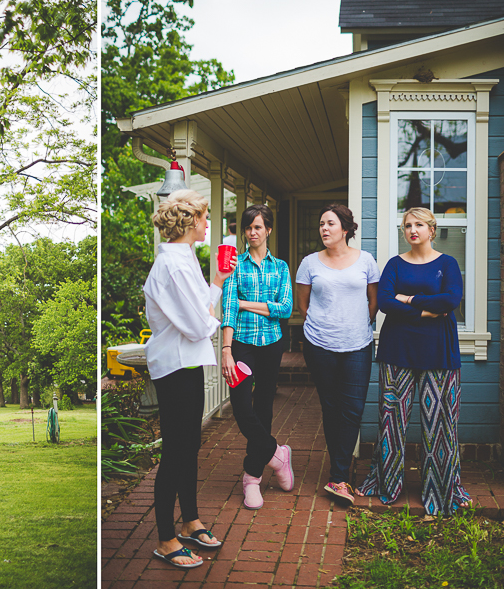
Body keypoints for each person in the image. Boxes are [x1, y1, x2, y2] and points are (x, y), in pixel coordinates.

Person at [143, 189, 236, 569]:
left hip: (188, 362)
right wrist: (211, 313)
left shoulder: (185, 259)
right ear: (188, 221)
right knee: (176, 451)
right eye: (203, 216)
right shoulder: (173, 266)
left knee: (190, 444)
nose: (207, 222)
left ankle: (190, 520)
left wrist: (218, 278)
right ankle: (166, 539)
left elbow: (203, 308)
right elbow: (200, 324)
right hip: (175, 364)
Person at [357, 208, 471, 514]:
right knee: (392, 421)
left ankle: (441, 488)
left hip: (439, 352)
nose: (412, 229)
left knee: (440, 424)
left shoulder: (447, 263)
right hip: (398, 351)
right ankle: (388, 484)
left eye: (419, 224)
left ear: (431, 229)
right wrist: (425, 309)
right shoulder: (394, 264)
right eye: (407, 225)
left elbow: (450, 300)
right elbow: (384, 303)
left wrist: (407, 299)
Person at [295, 204, 379, 505]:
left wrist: (355, 324)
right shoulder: (309, 263)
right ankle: (340, 477)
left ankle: (340, 473)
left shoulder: (366, 260)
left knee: (353, 409)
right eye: (321, 224)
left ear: (346, 229)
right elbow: (303, 305)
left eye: (330, 223)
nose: (324, 229)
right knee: (331, 408)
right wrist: (322, 324)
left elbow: (373, 301)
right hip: (320, 345)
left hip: (358, 344)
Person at [220, 204, 294, 509]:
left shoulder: (281, 267)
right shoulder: (234, 265)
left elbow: (285, 309)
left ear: (268, 230)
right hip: (241, 345)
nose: (252, 233)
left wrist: (245, 303)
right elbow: (227, 309)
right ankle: (278, 454)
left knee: (263, 407)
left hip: (272, 344)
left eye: (258, 227)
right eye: (248, 227)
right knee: (241, 406)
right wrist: (225, 349)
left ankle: (252, 478)